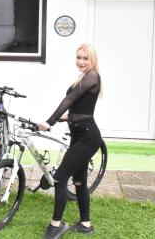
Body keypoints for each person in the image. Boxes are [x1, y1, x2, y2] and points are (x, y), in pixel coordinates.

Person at [39, 43, 103, 239]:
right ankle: (85, 225)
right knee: (79, 181)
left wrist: (49, 121)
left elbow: (69, 99)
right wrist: (69, 117)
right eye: (78, 57)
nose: (81, 62)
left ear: (92, 60)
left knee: (59, 177)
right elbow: (80, 105)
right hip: (78, 133)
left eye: (85, 58)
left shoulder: (92, 76)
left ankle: (56, 225)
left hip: (87, 137)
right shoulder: (83, 77)